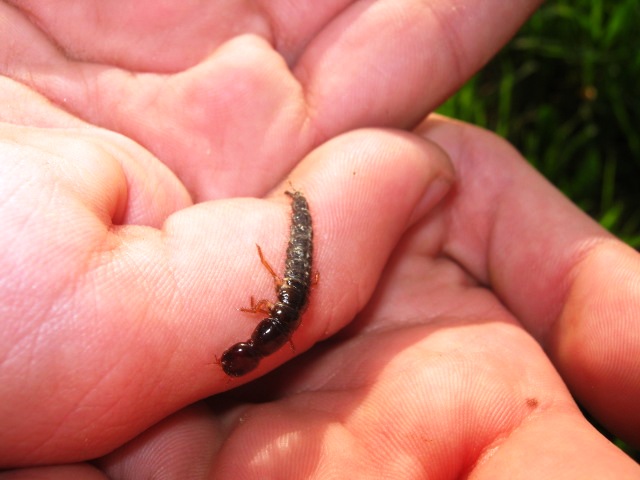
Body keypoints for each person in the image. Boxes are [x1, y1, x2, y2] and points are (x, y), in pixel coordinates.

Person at [0, 1, 638, 478]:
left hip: (288, 292)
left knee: (292, 268)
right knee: (290, 274)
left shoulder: (271, 317)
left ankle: (299, 222)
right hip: (287, 296)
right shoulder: (271, 319)